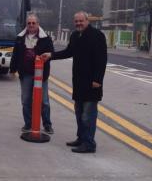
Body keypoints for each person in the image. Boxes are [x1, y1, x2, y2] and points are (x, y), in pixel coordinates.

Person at [41, 11, 107, 153]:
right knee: (79, 113)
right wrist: (51, 55)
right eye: (76, 21)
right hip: (78, 82)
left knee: (88, 115)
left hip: (92, 84)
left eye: (81, 21)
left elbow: (102, 60)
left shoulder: (97, 36)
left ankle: (89, 144)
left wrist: (97, 80)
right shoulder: (75, 36)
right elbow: (67, 52)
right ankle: (81, 138)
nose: (78, 23)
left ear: (87, 20)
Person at [10, 13, 54, 134]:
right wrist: (12, 69)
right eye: (29, 23)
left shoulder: (46, 38)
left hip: (41, 74)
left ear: (38, 24)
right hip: (26, 74)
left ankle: (47, 124)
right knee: (26, 99)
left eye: (33, 23)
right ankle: (28, 124)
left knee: (44, 101)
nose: (31, 25)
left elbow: (51, 54)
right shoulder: (20, 38)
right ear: (26, 24)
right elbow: (15, 55)